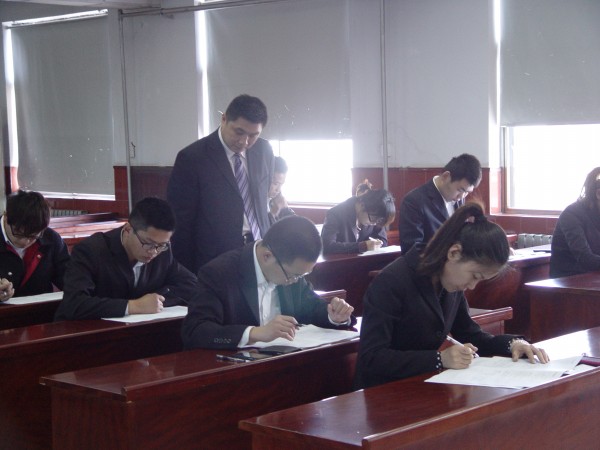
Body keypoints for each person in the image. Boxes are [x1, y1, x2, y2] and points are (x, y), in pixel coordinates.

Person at [354, 202, 549, 390]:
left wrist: (513, 344)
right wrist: (439, 359)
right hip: (381, 392)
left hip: (420, 385)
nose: (472, 286)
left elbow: (471, 334)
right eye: (474, 276)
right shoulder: (391, 281)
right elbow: (372, 357)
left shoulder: (449, 281)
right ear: (454, 253)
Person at [181, 215, 356, 350]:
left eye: (302, 276)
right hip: (233, 371)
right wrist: (254, 333)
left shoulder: (291, 272)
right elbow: (195, 331)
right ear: (267, 256)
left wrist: (334, 316)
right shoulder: (219, 273)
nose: (294, 281)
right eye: (293, 276)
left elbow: (311, 306)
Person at [167, 94, 274, 273]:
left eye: (253, 135)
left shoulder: (264, 150)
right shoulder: (193, 158)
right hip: (215, 259)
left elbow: (263, 202)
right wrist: (187, 275)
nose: (244, 142)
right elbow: (181, 225)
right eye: (239, 132)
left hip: (260, 252)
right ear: (224, 119)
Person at [54, 197, 197, 321]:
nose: (154, 251)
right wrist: (134, 306)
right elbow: (74, 303)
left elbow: (191, 285)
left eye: (161, 245)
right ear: (128, 229)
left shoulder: (163, 252)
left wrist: (156, 300)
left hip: (132, 333)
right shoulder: (91, 251)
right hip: (83, 334)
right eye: (148, 243)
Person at [399, 153, 482, 254]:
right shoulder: (414, 202)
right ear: (446, 176)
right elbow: (412, 250)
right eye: (460, 190)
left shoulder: (459, 199)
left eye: (467, 192)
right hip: (429, 263)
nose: (462, 197)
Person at [0, 190, 69, 301]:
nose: (25, 242)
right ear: (7, 217)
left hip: (41, 309)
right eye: (19, 234)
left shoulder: (51, 239)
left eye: (33, 237)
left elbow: (69, 279)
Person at [550, 167, 600, 278]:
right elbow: (585, 259)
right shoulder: (572, 215)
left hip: (593, 278)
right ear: (598, 194)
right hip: (568, 280)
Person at [321, 189, 396, 255]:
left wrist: (378, 244)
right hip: (339, 263)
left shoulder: (375, 214)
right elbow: (327, 246)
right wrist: (361, 246)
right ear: (362, 205)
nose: (374, 224)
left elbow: (383, 241)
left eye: (378, 221)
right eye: (373, 219)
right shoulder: (336, 213)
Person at [268, 156, 295, 224]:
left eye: (281, 184)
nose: (278, 190)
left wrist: (285, 208)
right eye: (276, 183)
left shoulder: (277, 200)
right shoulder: (257, 202)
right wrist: (273, 213)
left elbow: (294, 224)